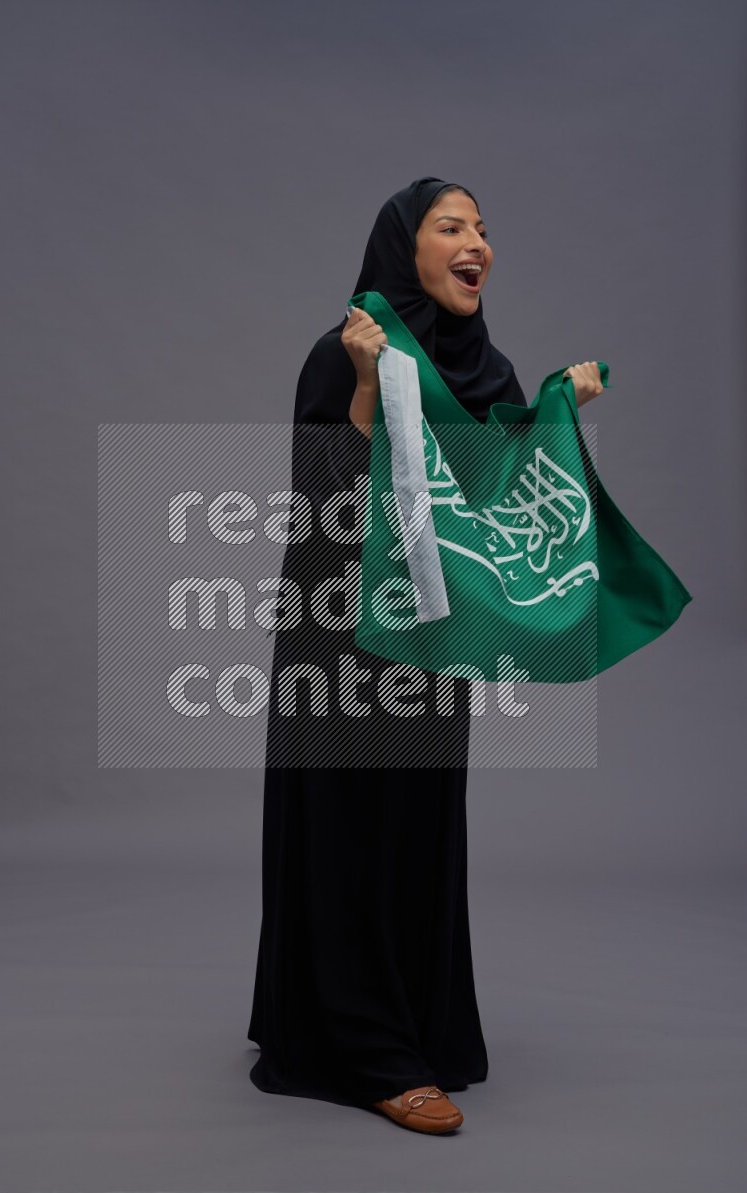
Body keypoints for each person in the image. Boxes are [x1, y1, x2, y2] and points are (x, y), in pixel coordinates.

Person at [246, 177, 603, 1135]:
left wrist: (558, 408)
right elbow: (323, 503)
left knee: (418, 830)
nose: (477, 242)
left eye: (483, 228)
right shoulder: (342, 351)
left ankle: (399, 1025)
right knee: (348, 831)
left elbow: (507, 499)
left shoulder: (489, 368)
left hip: (435, 643)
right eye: (452, 226)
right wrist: (367, 386)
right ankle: (371, 1054)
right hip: (341, 637)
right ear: (404, 249)